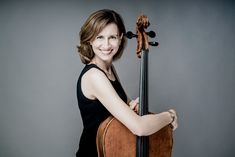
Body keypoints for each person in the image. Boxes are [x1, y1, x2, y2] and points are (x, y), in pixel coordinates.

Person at [76, 9, 178, 157]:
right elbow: (139, 127)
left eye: (112, 37)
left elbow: (124, 104)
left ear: (120, 38)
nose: (106, 44)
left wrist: (132, 106)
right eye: (99, 37)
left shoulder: (109, 69)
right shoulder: (94, 76)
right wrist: (170, 116)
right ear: (90, 40)